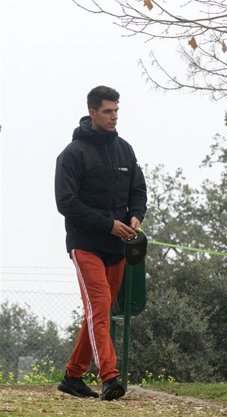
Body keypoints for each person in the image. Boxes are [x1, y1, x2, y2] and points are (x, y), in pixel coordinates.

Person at [55, 85, 147, 400]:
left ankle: (72, 376)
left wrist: (135, 217)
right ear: (92, 112)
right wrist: (109, 225)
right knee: (99, 308)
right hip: (85, 245)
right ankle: (110, 377)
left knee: (98, 311)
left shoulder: (126, 150)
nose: (114, 117)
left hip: (118, 248)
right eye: (108, 111)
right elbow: (66, 203)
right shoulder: (71, 155)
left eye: (116, 111)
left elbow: (139, 190)